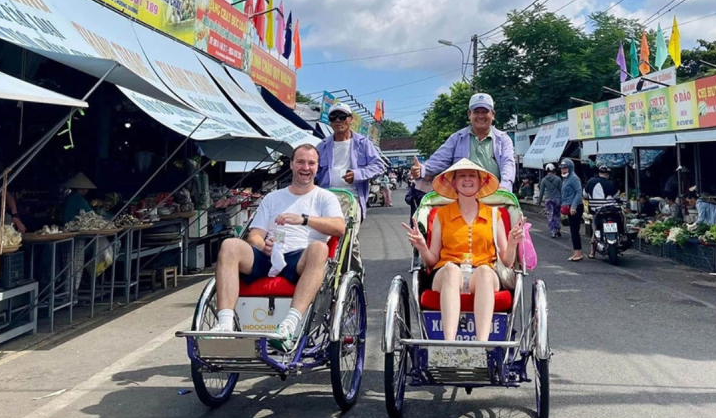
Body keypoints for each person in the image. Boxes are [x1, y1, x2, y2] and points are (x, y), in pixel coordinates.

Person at [214, 144, 345, 350]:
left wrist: (304, 219)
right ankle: (224, 325)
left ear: (317, 167)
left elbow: (339, 227)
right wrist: (263, 245)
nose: (306, 167)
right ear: (292, 164)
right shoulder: (273, 197)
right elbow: (255, 234)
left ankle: (289, 325)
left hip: (301, 258)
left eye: (311, 163)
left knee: (320, 248)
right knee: (230, 245)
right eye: (301, 162)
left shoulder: (324, 197)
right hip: (269, 255)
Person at [402, 159, 523, 341]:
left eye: (472, 175)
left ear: (481, 181)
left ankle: (482, 345)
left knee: (484, 272)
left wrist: (512, 242)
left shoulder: (493, 214)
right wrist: (422, 246)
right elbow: (433, 260)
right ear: (454, 182)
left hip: (484, 276)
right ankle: (449, 344)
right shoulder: (441, 215)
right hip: (446, 275)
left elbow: (506, 260)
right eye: (462, 176)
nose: (467, 180)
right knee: (451, 270)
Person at [316, 102, 385, 270]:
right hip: (326, 198)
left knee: (349, 239)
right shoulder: (322, 145)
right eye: (333, 117)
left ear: (350, 119)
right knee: (322, 238)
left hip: (352, 198)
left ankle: (354, 276)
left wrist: (358, 174)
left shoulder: (363, 143)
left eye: (342, 116)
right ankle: (326, 275)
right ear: (330, 121)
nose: (338, 120)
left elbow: (379, 166)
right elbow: (312, 171)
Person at [411, 93, 515, 192]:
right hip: (463, 197)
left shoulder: (503, 139)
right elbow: (440, 159)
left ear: (492, 114)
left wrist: (504, 186)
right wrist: (422, 169)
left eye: (484, 112)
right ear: (469, 114)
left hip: (495, 195)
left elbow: (508, 164)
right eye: (476, 112)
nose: (480, 116)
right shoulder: (457, 138)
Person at [584, 165, 619, 259]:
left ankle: (592, 252)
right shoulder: (610, 183)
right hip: (611, 210)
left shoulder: (590, 182)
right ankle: (622, 234)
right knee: (622, 217)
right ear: (607, 174)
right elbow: (616, 195)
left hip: (596, 211)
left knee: (595, 230)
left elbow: (585, 194)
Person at [561, 159, 584, 262]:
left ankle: (577, 254)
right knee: (573, 230)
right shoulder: (566, 179)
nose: (563, 170)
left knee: (574, 231)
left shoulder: (574, 178)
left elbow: (579, 193)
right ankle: (578, 252)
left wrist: (573, 206)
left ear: (570, 168)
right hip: (569, 207)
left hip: (575, 208)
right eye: (562, 168)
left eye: (565, 168)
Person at [539, 164, 562, 238]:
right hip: (557, 199)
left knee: (550, 216)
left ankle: (553, 231)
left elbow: (541, 191)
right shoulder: (558, 179)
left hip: (548, 200)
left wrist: (539, 201)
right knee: (557, 215)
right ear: (554, 170)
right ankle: (558, 229)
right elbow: (561, 190)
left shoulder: (544, 180)